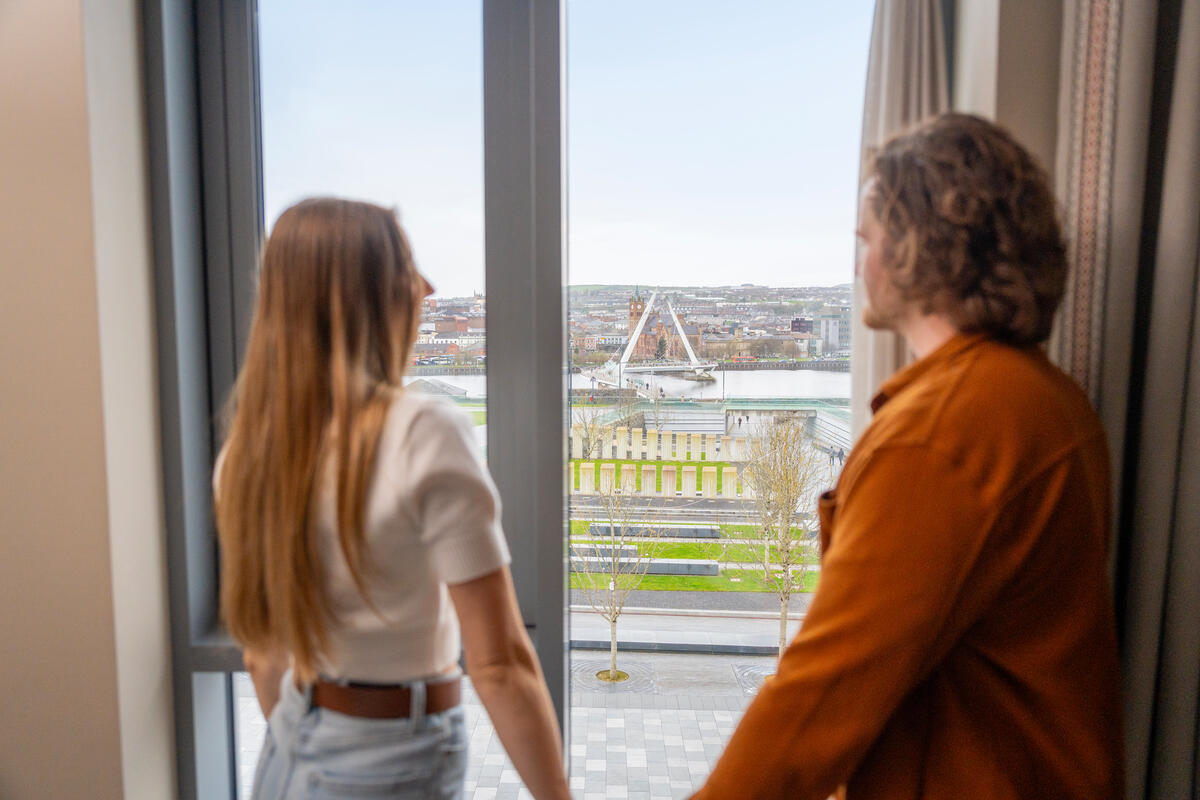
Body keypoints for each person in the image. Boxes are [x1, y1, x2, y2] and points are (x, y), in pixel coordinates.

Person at [693, 114, 1122, 799]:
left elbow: (815, 702)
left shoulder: (943, 434)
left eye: (866, 238)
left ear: (917, 244)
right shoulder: (1045, 399)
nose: (859, 262)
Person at [215, 198, 570, 800]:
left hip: (287, 755)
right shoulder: (422, 432)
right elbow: (500, 664)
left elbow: (263, 658)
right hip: (390, 764)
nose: (427, 286)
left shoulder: (248, 456)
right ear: (367, 296)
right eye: (407, 266)